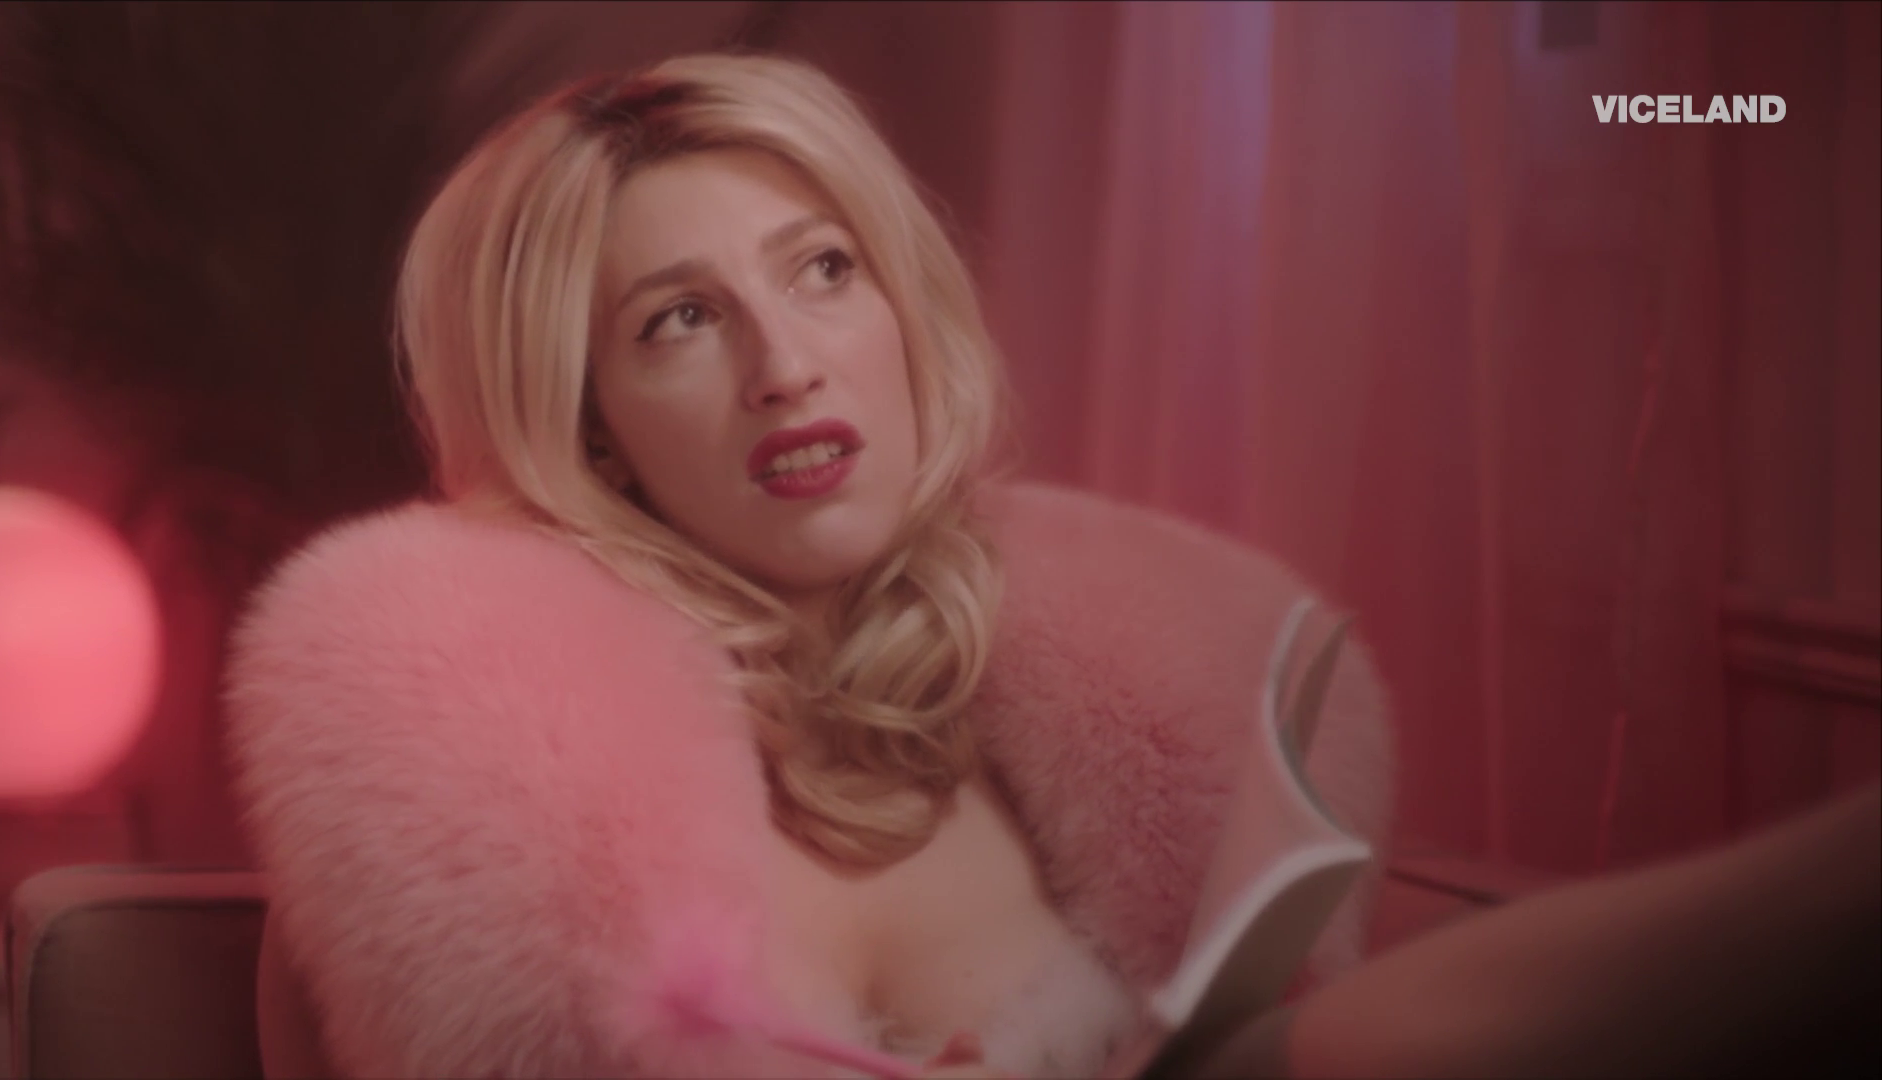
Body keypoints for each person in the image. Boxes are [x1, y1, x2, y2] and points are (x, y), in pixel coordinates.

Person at [234, 51, 1393, 1080]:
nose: (784, 366)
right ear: (591, 429)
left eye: (825, 269)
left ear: (901, 305)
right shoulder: (450, 825)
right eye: (680, 319)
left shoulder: (1116, 725)